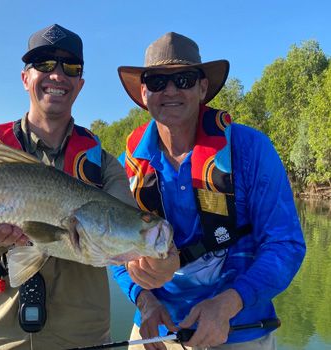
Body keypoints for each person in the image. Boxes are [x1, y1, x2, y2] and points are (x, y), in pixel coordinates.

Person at [0, 24, 180, 350]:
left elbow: (122, 230)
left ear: (80, 84)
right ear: (25, 78)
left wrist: (160, 266)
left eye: (70, 67)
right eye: (44, 64)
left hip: (83, 337)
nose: (57, 75)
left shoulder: (105, 166)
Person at [111, 32, 306, 350]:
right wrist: (144, 301)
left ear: (203, 88)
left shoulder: (251, 149)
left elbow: (286, 244)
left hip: (240, 329)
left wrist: (228, 304)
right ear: (144, 92)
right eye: (158, 81)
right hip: (157, 332)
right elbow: (114, 254)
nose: (171, 90)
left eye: (184, 79)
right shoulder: (126, 168)